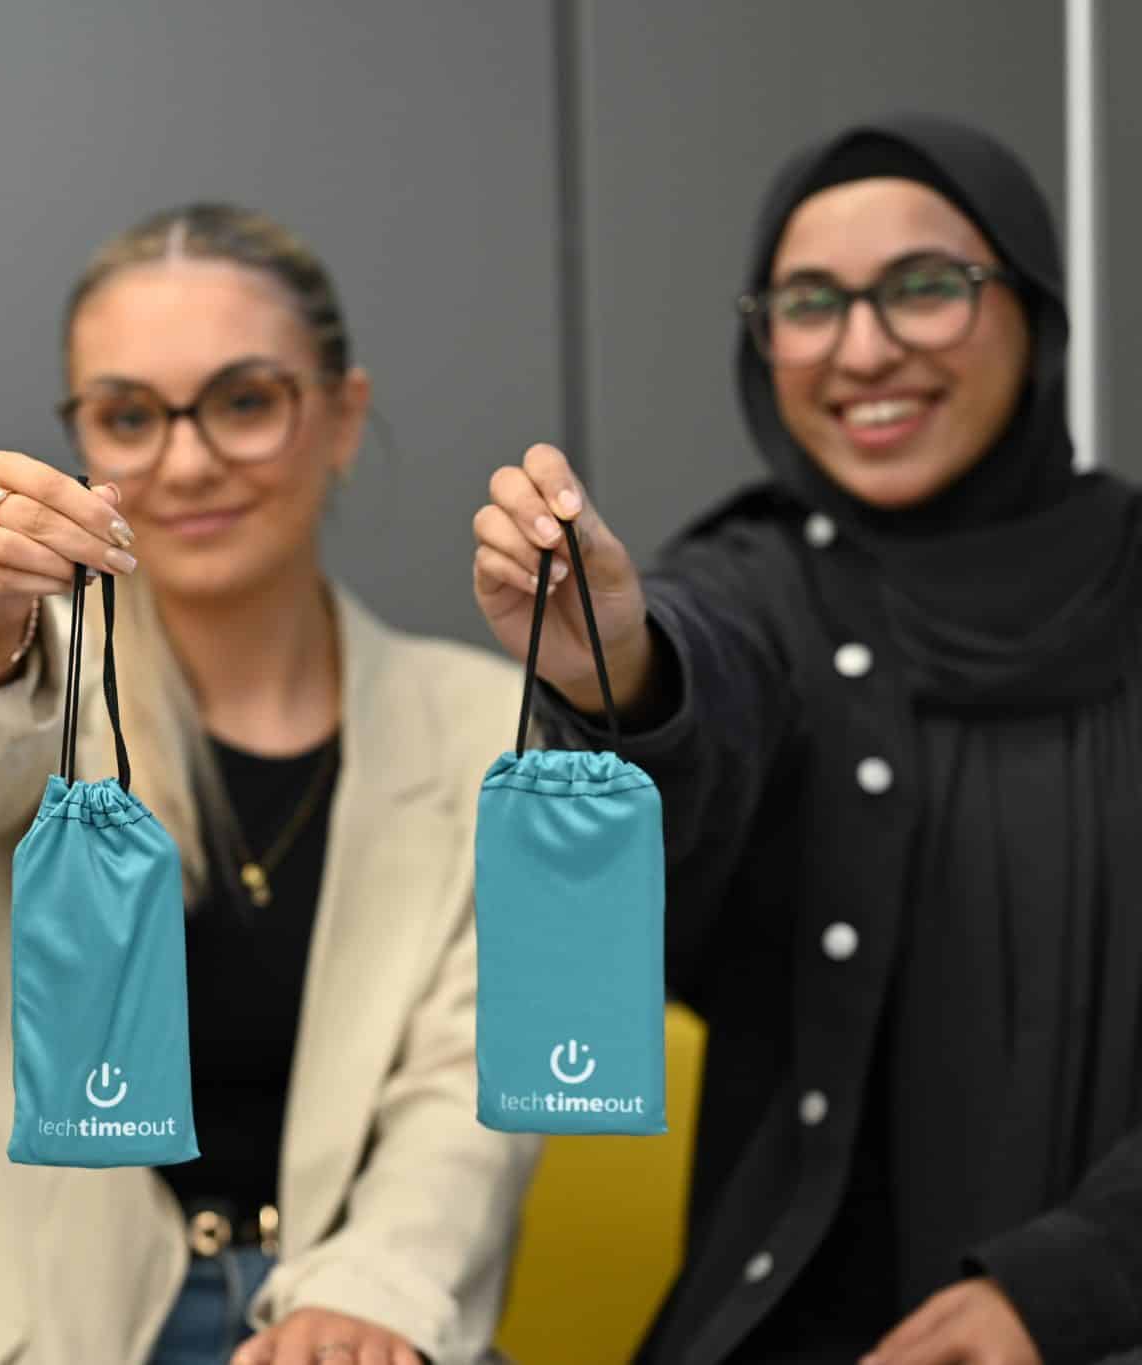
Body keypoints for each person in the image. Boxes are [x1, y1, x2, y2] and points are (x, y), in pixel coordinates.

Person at [471, 115, 1142, 1364]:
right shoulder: (759, 578)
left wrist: (1071, 1284)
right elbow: (706, 665)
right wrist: (616, 667)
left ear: (1033, 304)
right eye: (806, 303)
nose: (862, 349)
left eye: (924, 289)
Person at [0, 202, 538, 1365]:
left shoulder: (478, 725)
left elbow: (469, 1079)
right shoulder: (34, 667)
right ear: (81, 436)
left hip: (357, 1319)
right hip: (60, 1333)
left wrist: (372, 1295)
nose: (185, 460)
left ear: (340, 419)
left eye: (243, 401)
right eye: (128, 417)